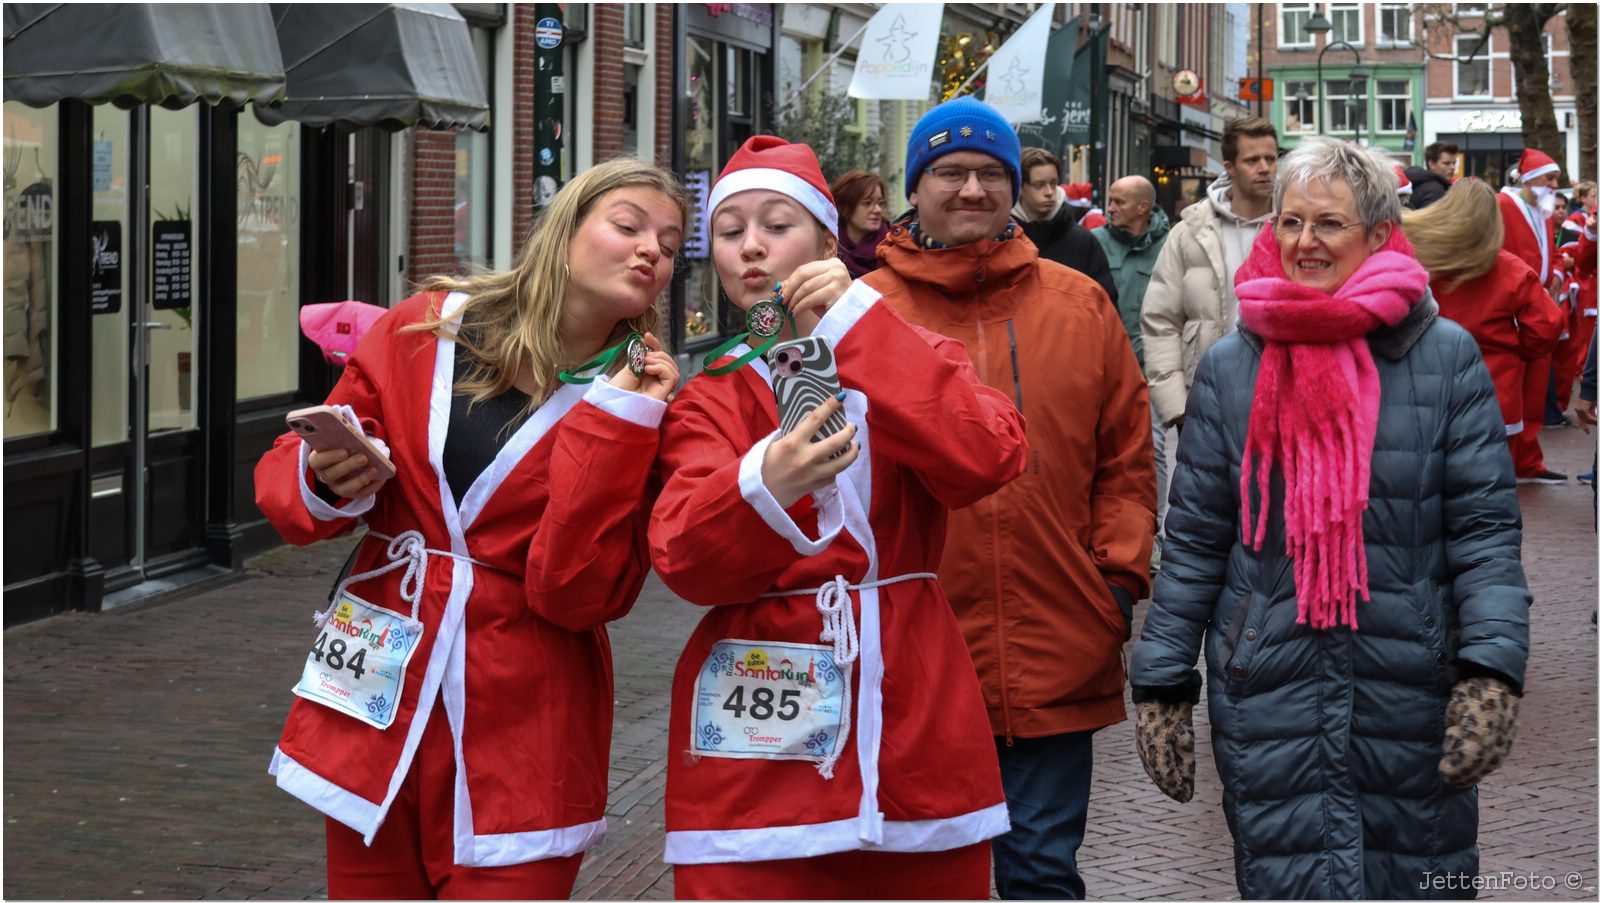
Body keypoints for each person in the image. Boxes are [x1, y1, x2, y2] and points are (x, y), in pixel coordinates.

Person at [252, 159, 686, 900]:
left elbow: (577, 592)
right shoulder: (430, 324)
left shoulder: (643, 398)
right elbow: (286, 481)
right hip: (375, 696)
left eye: (672, 243)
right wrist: (324, 474)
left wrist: (619, 425)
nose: (653, 250)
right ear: (564, 229)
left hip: (522, 717)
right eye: (629, 225)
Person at [1130, 137, 1530, 900]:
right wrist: (1161, 681)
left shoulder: (1445, 358)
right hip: (1268, 678)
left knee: (1419, 878)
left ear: (1379, 234)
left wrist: (1490, 670)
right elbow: (1195, 539)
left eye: (1329, 224)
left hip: (1410, 681)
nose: (1304, 242)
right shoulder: (1229, 364)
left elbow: (1483, 532)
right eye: (1289, 222)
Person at [650, 135, 1027, 900]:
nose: (752, 246)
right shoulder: (708, 396)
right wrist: (764, 482)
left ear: (829, 241)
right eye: (730, 232)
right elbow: (684, 556)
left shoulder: (908, 349)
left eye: (777, 224)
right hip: (753, 742)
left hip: (914, 718)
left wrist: (863, 326)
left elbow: (988, 455)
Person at [865, 95, 1156, 900]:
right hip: (912, 655)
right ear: (915, 188)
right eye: (949, 172)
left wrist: (1116, 582)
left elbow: (1126, 460)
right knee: (922, 876)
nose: (971, 190)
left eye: (991, 172)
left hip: (1057, 639)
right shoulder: (863, 317)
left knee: (1039, 872)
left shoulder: (1078, 303)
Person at [1142, 115, 1279, 432]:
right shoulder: (1190, 232)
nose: (1264, 168)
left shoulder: (1296, 228)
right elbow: (1160, 319)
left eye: (1270, 159)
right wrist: (1176, 406)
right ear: (1229, 167)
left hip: (1278, 400)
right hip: (1205, 402)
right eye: (1252, 160)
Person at [1405, 178, 1562, 450]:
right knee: (1491, 481)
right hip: (1495, 385)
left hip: (1428, 381)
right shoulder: (1512, 269)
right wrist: (1514, 351)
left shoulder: (1419, 261)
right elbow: (1546, 327)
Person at [1093, 174, 1173, 564]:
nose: (1110, 208)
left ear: (1144, 207)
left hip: (1152, 365)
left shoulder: (1170, 245)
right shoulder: (1096, 244)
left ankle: (1154, 536)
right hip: (1105, 365)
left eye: (1118, 201)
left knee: (1153, 450)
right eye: (1109, 200)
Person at [1498, 147, 1566, 482]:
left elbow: (1548, 251)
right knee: (1512, 390)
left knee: (1535, 388)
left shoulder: (1541, 206)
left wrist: (1555, 274)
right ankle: (1510, 462)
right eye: (1550, 177)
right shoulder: (1503, 204)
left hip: (1537, 304)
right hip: (1512, 306)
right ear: (1529, 179)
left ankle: (1527, 461)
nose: (1556, 184)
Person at [1011, 147, 1119, 302]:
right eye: (1039, 185)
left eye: (1053, 183)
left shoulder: (1083, 241)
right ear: (1020, 188)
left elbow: (1105, 303)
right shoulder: (1003, 237)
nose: (1049, 191)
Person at [831, 169, 889, 279]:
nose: (877, 210)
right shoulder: (827, 248)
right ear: (846, 207)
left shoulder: (892, 247)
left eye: (880, 203)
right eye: (867, 203)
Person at [1404, 140, 1458, 209]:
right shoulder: (1436, 190)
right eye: (1446, 163)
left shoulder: (1415, 183)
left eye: (1454, 163)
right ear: (1431, 164)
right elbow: (1432, 219)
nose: (1452, 167)